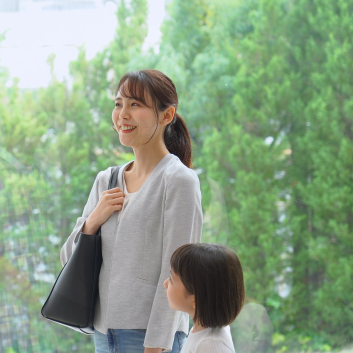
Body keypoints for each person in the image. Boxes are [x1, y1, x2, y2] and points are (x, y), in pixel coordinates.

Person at [60, 69, 203, 353]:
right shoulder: (106, 180)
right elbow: (67, 259)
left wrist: (156, 345)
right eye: (118, 104)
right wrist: (92, 221)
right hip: (103, 336)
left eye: (135, 105)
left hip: (150, 339)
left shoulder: (178, 181)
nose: (122, 114)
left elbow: (177, 270)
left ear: (166, 115)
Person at [164, 243, 245, 353]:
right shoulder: (202, 332)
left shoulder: (211, 345)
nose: (165, 284)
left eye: (171, 279)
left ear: (195, 299)